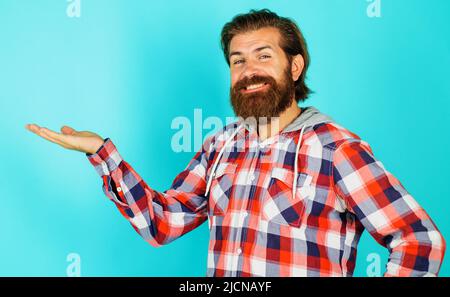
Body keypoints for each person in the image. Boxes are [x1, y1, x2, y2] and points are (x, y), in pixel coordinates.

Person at [26, 9, 445, 277]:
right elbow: (163, 223)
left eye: (264, 56)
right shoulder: (219, 146)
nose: (248, 71)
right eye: (238, 60)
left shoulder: (335, 148)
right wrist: (102, 153)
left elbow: (418, 241)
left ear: (295, 67)